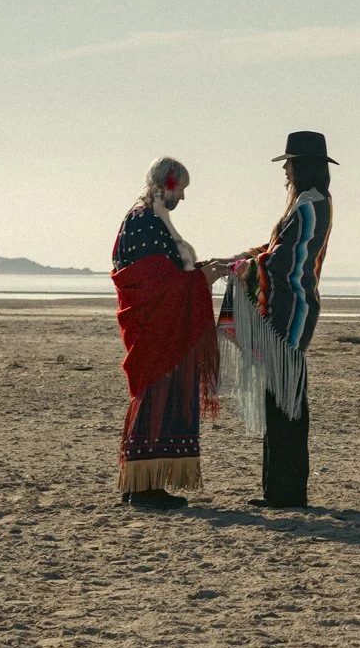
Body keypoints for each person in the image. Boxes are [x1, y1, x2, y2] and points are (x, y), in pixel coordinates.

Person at [224, 131, 335, 509]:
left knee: (285, 403)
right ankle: (280, 489)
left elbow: (283, 261)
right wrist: (236, 260)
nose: (285, 171)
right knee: (282, 402)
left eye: (289, 164)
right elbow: (274, 250)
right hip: (289, 314)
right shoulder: (308, 203)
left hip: (290, 315)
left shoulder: (310, 206)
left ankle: (286, 492)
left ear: (302, 167)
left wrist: (241, 268)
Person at [110, 157, 226, 509]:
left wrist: (200, 272)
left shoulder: (148, 220)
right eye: (182, 189)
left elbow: (166, 275)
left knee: (156, 399)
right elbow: (153, 284)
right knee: (157, 398)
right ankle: (145, 489)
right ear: (168, 185)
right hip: (157, 330)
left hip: (160, 326)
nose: (183, 197)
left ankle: (141, 483)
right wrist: (200, 279)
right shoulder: (144, 222)